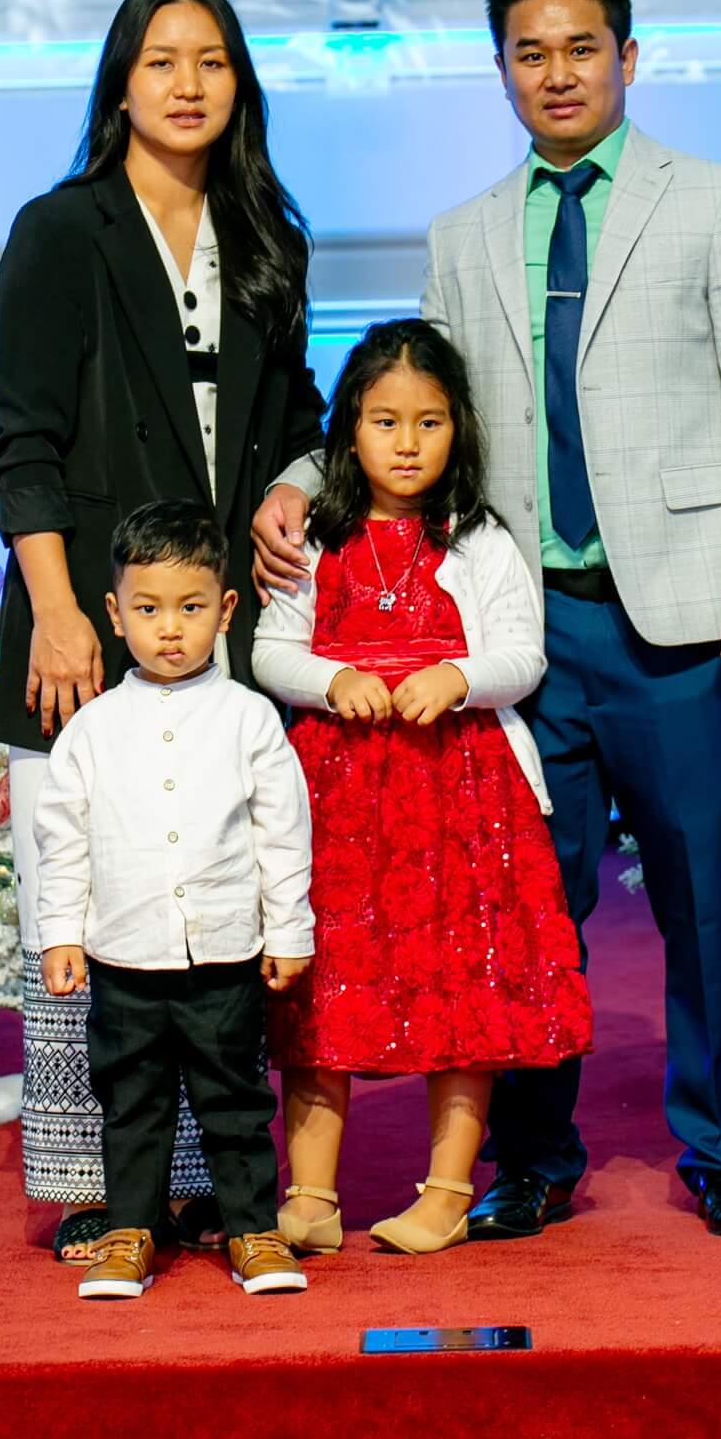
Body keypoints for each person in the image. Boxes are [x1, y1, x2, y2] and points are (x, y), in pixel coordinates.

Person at [255, 0, 721, 1240]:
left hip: (677, 615)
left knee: (701, 895)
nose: (557, 73)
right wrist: (296, 480)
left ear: (628, 56)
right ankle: (532, 1157)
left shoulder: (714, 200)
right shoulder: (465, 231)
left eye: (580, 48)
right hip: (521, 629)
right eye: (530, 52)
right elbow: (408, 396)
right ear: (502, 69)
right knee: (515, 903)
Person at [0, 0, 325, 1261]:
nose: (189, 85)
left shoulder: (268, 233)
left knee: (209, 893)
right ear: (120, 82)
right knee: (88, 897)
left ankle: (213, 1178)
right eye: (162, 60)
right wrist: (59, 611)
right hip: (85, 621)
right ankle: (99, 1181)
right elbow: (22, 442)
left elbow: (297, 418)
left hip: (221, 627)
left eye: (213, 61)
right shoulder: (60, 228)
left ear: (241, 82)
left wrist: (294, 490)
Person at [251, 319, 591, 1257]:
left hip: (461, 793)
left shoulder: (478, 538)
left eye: (429, 422)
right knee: (324, 982)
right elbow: (271, 648)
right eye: (385, 421)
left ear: (458, 429)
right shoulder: (316, 539)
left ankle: (446, 1192)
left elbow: (522, 653)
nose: (407, 444)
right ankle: (310, 1196)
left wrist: (459, 677)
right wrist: (331, 679)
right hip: (338, 797)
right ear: (349, 430)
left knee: (461, 978)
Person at [35, 502, 313, 1301]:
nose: (169, 630)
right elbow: (64, 841)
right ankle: (131, 1231)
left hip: (224, 953)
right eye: (149, 609)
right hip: (124, 956)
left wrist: (289, 931)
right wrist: (61, 934)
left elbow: (282, 834)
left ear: (225, 611)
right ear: (115, 612)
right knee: (133, 1103)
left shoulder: (250, 719)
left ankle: (253, 1229)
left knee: (235, 1100)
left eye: (190, 609)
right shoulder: (91, 730)